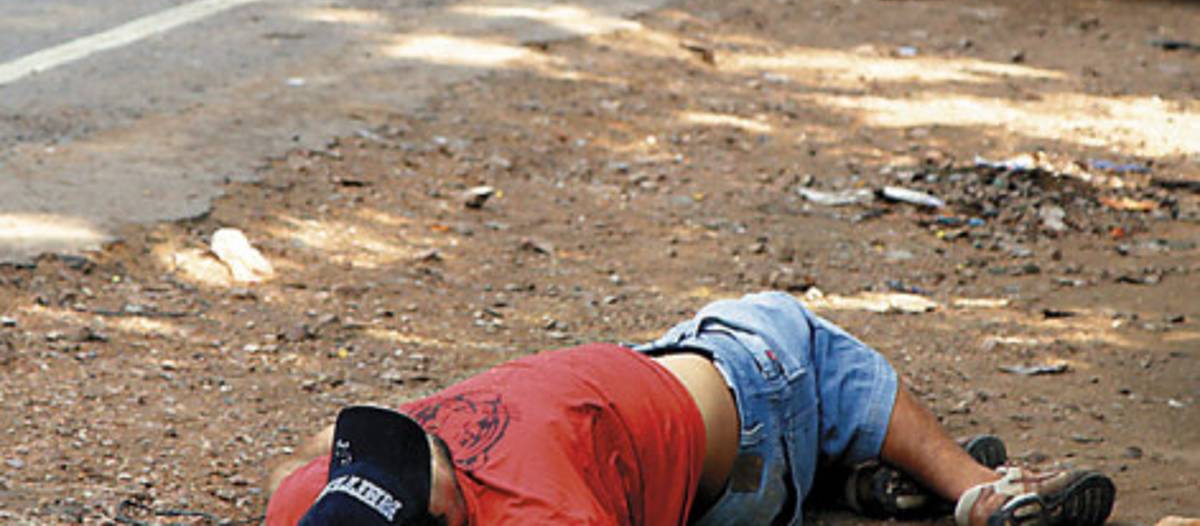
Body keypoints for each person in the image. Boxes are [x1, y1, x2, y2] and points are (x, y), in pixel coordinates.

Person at [264, 292, 1116, 526]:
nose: (421, 441)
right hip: (754, 403)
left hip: (673, 459)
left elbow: (303, 457)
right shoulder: (541, 511)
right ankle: (979, 490)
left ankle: (847, 484)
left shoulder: (317, 500)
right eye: (423, 471)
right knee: (798, 335)